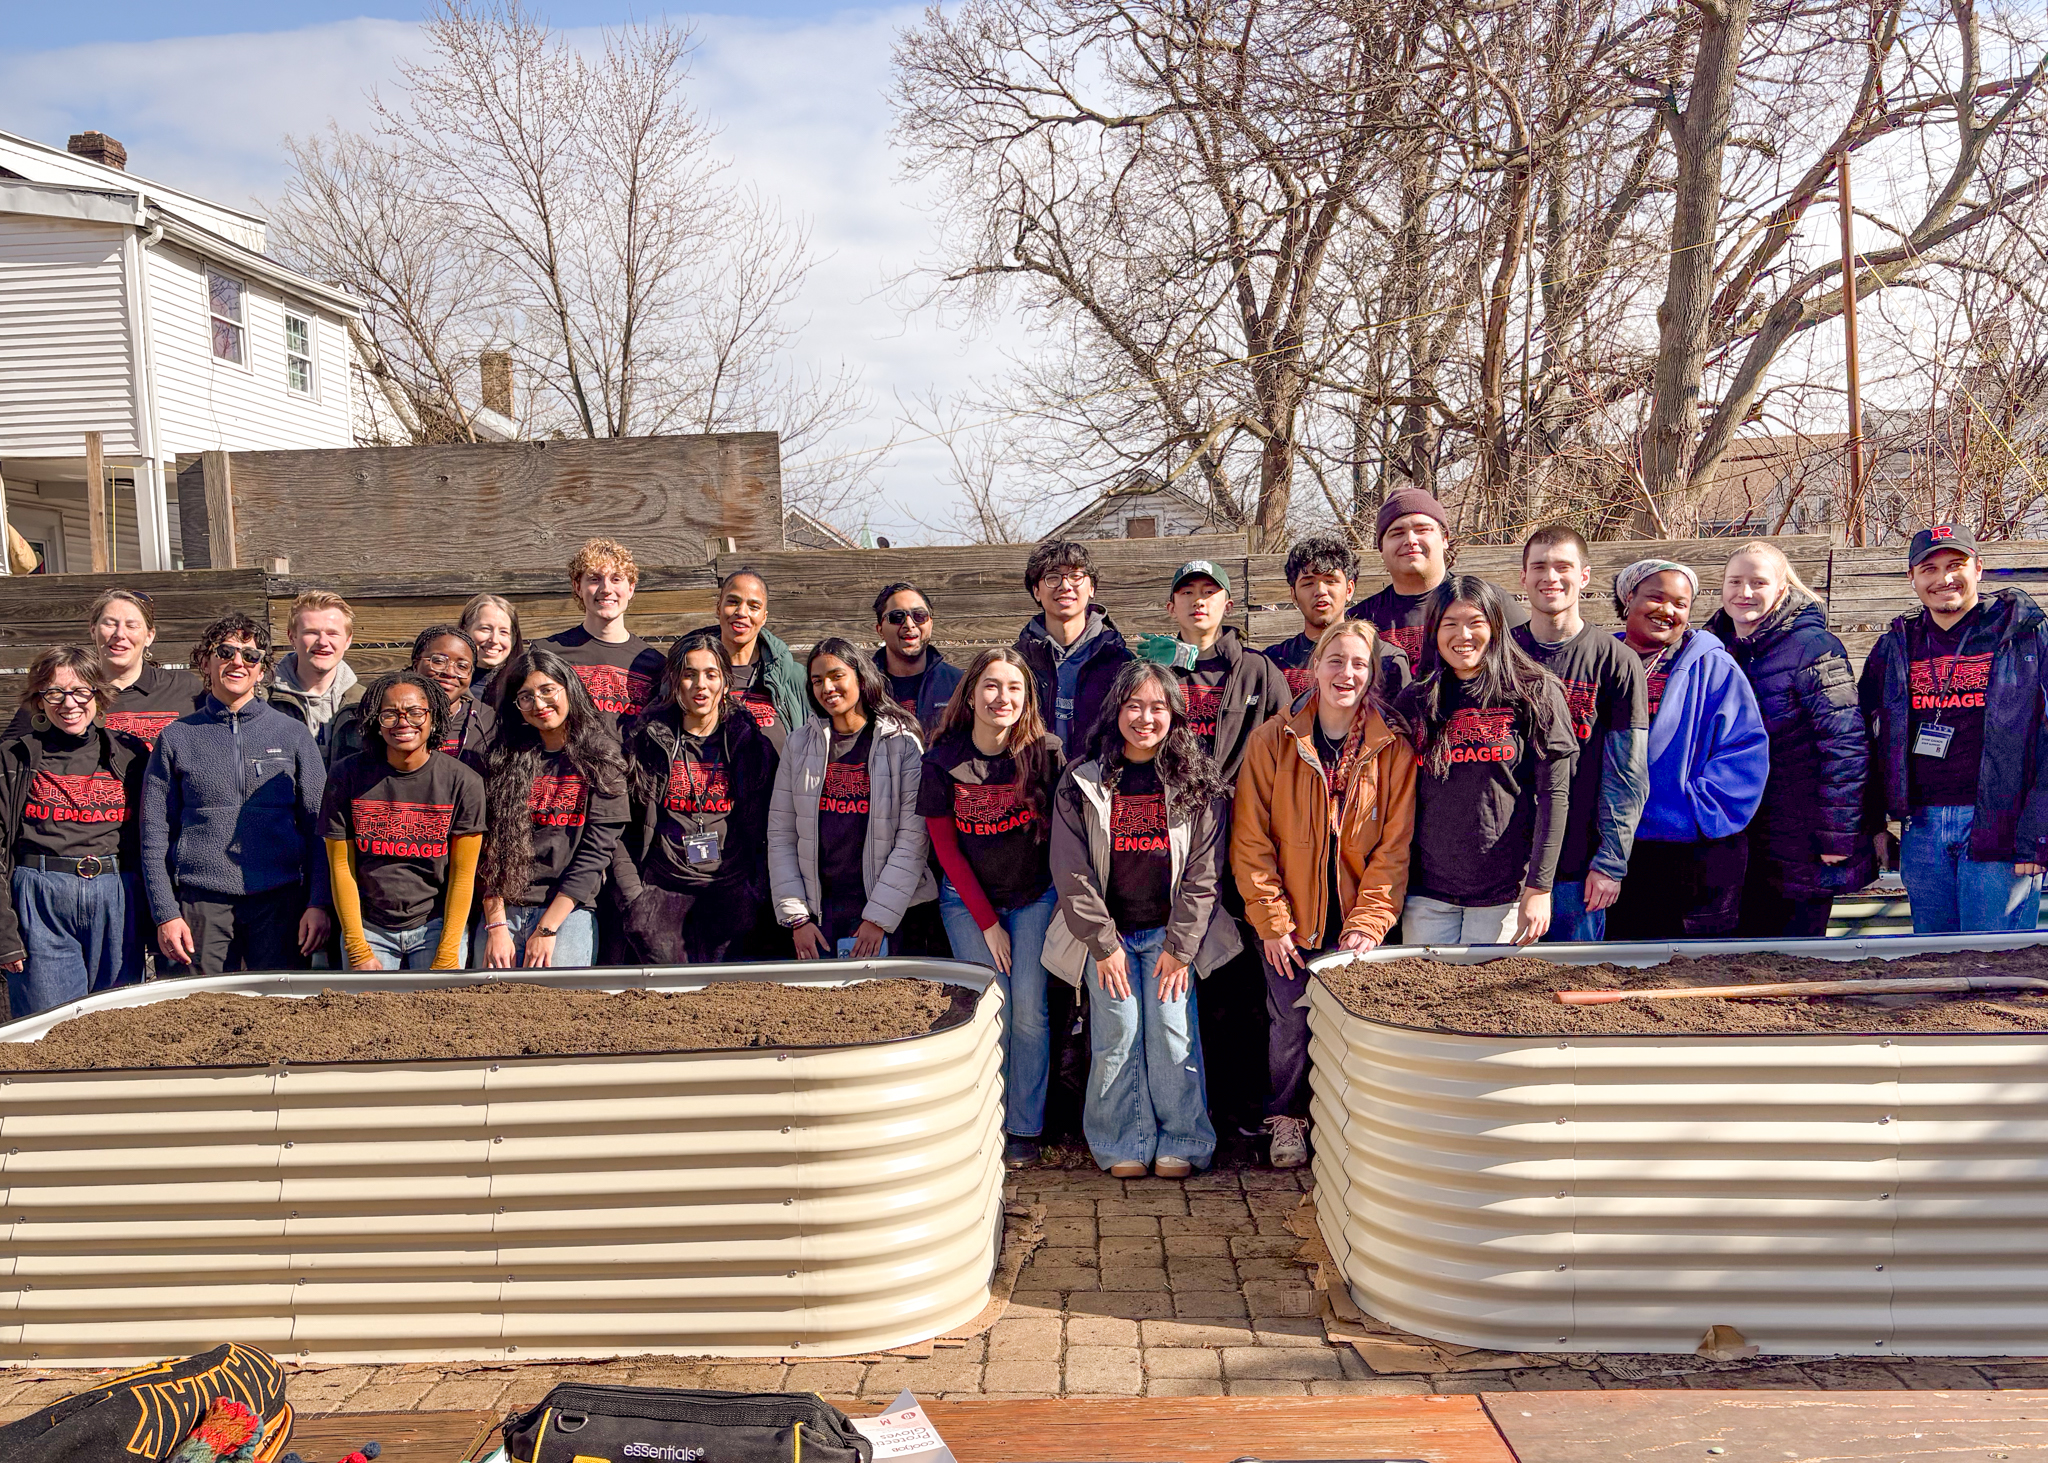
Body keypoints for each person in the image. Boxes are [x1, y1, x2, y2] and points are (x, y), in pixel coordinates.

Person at [1234, 620, 1415, 1169]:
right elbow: (1251, 840)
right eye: (1335, 660)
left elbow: (1394, 847)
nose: (1347, 672)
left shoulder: (1393, 746)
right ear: (1313, 667)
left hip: (1357, 922)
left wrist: (1370, 922)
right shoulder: (1272, 739)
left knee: (1358, 1028)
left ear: (1373, 673)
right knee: (1289, 1025)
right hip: (1292, 920)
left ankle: (1348, 1125)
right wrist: (1272, 921)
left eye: (1359, 663)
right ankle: (1287, 1118)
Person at [1047, 661, 1239, 1178]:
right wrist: (1102, 944)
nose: (1145, 718)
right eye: (1134, 706)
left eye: (1158, 707)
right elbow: (1071, 869)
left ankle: (1184, 1139)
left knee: (1173, 1034)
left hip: (1170, 936)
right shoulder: (1082, 779)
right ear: (1116, 712)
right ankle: (1120, 1142)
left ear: (1175, 716)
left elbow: (1204, 873)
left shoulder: (1196, 783)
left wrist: (1181, 948)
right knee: (1116, 1033)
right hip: (1106, 936)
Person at [919, 647, 1067, 1168]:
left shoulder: (1046, 753)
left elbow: (1065, 836)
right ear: (971, 693)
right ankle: (984, 1118)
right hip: (967, 902)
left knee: (1028, 1010)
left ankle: (1024, 1126)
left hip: (1034, 897)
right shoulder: (942, 758)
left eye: (1013, 688)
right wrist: (987, 925)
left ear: (1026, 699)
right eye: (990, 686)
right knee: (988, 1008)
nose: (1001, 698)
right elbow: (945, 849)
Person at [1859, 523, 2048, 933]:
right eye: (1929, 569)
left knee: (1995, 966)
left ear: (1979, 568)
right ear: (1912, 579)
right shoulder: (1897, 644)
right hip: (1921, 828)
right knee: (1935, 963)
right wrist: (1874, 823)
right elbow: (1864, 740)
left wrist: (2039, 831)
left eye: (1955, 565)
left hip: (2001, 827)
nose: (1944, 579)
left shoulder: (2026, 635)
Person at [1393, 577, 1577, 947]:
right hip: (1427, 895)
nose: (1463, 635)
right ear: (1434, 631)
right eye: (1450, 624)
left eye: (1476, 622)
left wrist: (1539, 887)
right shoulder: (1414, 700)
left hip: (1505, 895)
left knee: (1492, 1002)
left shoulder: (1534, 691)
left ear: (1496, 627)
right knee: (1423, 1000)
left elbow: (1554, 795)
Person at [142, 614, 331, 974]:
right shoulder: (176, 737)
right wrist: (166, 912)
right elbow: (154, 834)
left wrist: (318, 902)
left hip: (281, 902)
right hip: (200, 904)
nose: (238, 662)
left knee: (282, 1013)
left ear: (262, 670)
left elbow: (318, 826)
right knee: (198, 1015)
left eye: (251, 655)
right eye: (226, 651)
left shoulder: (292, 734)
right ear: (206, 661)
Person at [1708, 541, 1874, 937]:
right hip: (1736, 835)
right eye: (1735, 581)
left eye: (1758, 582)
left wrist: (1837, 835)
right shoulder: (1711, 646)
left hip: (1801, 836)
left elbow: (1845, 746)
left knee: (1793, 959)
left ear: (1782, 589)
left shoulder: (1813, 648)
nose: (1744, 592)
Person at [1604, 560, 1770, 940]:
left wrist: (1692, 809)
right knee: (1618, 966)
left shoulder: (1714, 666)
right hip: (1615, 848)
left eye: (1680, 604)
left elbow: (1745, 749)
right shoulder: (1600, 660)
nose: (1668, 611)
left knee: (1688, 978)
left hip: (1693, 853)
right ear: (1629, 598)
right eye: (1655, 598)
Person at [1512, 526, 1650, 942]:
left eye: (1563, 567)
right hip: (1505, 867)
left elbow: (1628, 774)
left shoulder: (1617, 661)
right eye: (1539, 566)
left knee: (1569, 991)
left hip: (1580, 867)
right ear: (1522, 577)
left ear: (1584, 577)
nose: (1550, 577)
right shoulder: (1501, 654)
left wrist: (1611, 862)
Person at [611, 627, 779, 963]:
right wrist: (635, 899)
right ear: (675, 682)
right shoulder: (645, 743)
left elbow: (771, 828)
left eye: (711, 674)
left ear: (726, 683)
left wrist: (754, 892)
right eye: (689, 674)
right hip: (661, 895)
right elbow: (619, 827)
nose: (700, 685)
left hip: (732, 895)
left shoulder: (750, 746)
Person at [0, 648, 149, 1018]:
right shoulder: (14, 756)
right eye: (55, 693)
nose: (70, 704)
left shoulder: (130, 755)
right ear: (39, 700)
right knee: (50, 1026)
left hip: (117, 896)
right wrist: (4, 932)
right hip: (40, 897)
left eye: (81, 691)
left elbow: (153, 837)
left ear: (98, 695)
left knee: (118, 1024)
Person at [769, 638, 935, 959]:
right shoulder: (798, 744)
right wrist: (797, 918)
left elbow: (913, 837)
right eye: (817, 680)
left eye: (836, 676)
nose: (827, 687)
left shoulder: (901, 742)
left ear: (860, 678)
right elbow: (781, 835)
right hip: (821, 913)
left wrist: (878, 917)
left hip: (891, 912)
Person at [322, 671, 487, 971]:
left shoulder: (464, 782)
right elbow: (340, 867)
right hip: (369, 927)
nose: (403, 723)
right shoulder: (346, 775)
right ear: (376, 721)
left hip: (434, 927)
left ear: (433, 718)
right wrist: (357, 947)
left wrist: (448, 953)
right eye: (390, 715)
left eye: (415, 713)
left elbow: (463, 876)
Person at [478, 645, 628, 969]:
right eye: (526, 697)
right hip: (502, 915)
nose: (539, 704)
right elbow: (486, 847)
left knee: (560, 1013)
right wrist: (496, 925)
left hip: (567, 912)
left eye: (548, 690)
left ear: (568, 689)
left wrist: (547, 928)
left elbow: (596, 852)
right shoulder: (503, 758)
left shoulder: (602, 758)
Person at [1135, 559, 1288, 785]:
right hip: (1169, 804)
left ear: (1228, 606)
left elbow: (1288, 740)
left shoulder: (1258, 670)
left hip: (1238, 808)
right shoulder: (1153, 670)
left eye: (1209, 592)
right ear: (1171, 608)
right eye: (1187, 592)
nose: (1198, 601)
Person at [3, 590, 208, 748]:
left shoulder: (184, 687)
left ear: (149, 636)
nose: (119, 634)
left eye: (132, 625)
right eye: (110, 624)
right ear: (93, 630)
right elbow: (8, 754)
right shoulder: (65, 691)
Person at [1346, 488, 1527, 663]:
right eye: (1397, 533)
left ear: (1444, 539)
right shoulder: (1360, 619)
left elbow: (1533, 667)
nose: (1410, 540)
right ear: (1381, 548)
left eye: (1422, 529)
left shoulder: (1489, 602)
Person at [1014, 540, 1133, 757]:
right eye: (1052, 578)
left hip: (1101, 782)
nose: (1065, 586)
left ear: (1092, 588)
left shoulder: (1119, 659)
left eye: (1076, 576)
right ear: (1036, 591)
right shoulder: (1018, 661)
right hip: (1033, 783)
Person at [326, 625, 495, 773]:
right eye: (438, 661)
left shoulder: (486, 722)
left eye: (462, 666)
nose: (449, 672)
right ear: (416, 665)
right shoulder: (377, 716)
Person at [1261, 535, 1410, 702]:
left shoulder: (1385, 658)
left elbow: (1401, 725)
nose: (1320, 591)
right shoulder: (1271, 663)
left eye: (1330, 581)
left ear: (1349, 589)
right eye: (1308, 583)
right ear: (1293, 595)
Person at [542, 538, 667, 734]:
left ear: (631, 588)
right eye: (594, 579)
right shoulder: (550, 653)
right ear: (577, 587)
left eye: (616, 579)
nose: (606, 589)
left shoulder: (655, 664)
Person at [707, 567, 810, 752]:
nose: (741, 612)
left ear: (764, 617)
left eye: (754, 606)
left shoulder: (793, 678)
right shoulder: (688, 674)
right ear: (718, 607)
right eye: (733, 602)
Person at [268, 590, 364, 754]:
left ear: (348, 640)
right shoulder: (264, 702)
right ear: (292, 637)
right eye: (311, 632)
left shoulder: (365, 704)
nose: (323, 642)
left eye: (332, 633)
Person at [872, 582, 964, 730]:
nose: (909, 624)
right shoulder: (863, 686)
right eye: (897, 617)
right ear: (880, 629)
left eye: (919, 616)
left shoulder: (959, 685)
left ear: (931, 624)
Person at [460, 593, 523, 697]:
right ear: (465, 630)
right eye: (485, 629)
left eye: (503, 632)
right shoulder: (449, 685)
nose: (494, 640)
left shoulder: (523, 684)